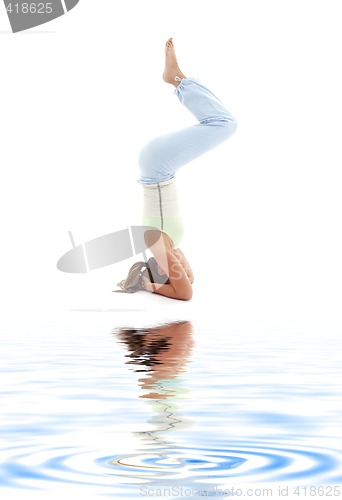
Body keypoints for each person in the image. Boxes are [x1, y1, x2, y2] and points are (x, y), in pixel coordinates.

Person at [116, 38, 237, 300]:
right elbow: (190, 280)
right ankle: (177, 79)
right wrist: (171, 274)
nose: (182, 266)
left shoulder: (155, 244)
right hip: (161, 168)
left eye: (175, 269)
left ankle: (176, 78)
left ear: (161, 270)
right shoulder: (170, 246)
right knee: (222, 123)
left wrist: (148, 286)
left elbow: (185, 293)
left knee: (224, 124)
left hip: (156, 167)